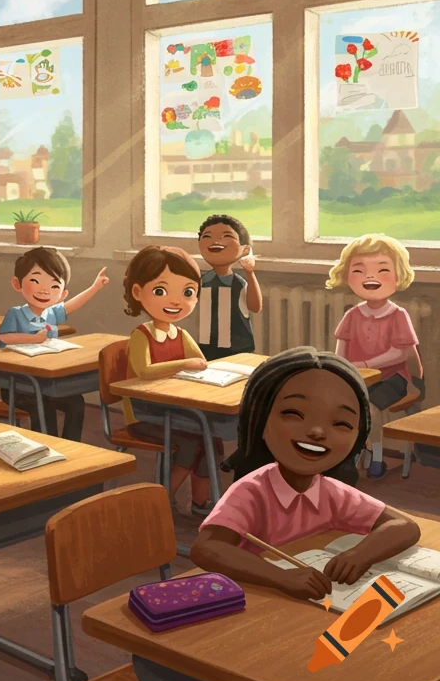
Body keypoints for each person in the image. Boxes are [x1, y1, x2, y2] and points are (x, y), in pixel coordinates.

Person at [191, 347, 420, 600]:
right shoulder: (252, 491)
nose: (317, 432)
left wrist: (360, 554)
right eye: (293, 414)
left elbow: (405, 526)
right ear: (260, 421)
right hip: (259, 596)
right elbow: (206, 548)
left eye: (341, 423)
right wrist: (281, 578)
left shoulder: (330, 490)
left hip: (313, 599)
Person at [121, 245, 223, 515]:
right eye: (160, 291)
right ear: (137, 292)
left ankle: (200, 501)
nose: (176, 302)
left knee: (211, 440)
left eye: (187, 293)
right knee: (191, 441)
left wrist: (191, 365)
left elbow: (200, 362)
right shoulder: (141, 335)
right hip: (146, 413)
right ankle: (161, 496)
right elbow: (145, 371)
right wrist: (183, 364)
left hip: (174, 409)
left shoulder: (180, 334)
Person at [326, 234, 425, 480]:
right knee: (338, 404)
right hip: (359, 378)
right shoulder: (352, 315)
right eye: (359, 270)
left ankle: (377, 456)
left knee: (368, 406)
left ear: (398, 276)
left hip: (393, 379)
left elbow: (400, 353)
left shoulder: (398, 315)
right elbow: (341, 351)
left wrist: (364, 364)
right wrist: (341, 371)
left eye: (382, 270)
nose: (370, 277)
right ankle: (350, 452)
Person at [0, 247, 108, 440]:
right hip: (19, 384)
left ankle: (70, 446)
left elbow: (74, 304)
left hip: (46, 381)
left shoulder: (52, 313)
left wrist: (95, 287)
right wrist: (34, 339)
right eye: (35, 281)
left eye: (54, 286)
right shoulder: (16, 313)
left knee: (76, 403)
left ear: (63, 293)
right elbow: (5, 337)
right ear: (17, 284)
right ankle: (47, 449)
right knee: (43, 407)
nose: (44, 290)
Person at [195, 214, 261, 361]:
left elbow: (255, 307)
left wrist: (250, 273)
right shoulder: (201, 282)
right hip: (206, 348)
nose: (215, 242)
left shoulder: (239, 283)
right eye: (207, 237)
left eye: (227, 236)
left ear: (245, 249)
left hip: (238, 348)